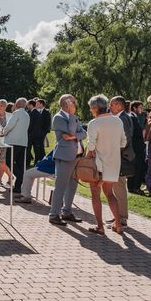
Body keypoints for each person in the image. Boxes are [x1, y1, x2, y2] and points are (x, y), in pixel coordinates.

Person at [85, 94, 126, 235]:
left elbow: (91, 146)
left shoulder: (94, 123)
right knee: (110, 194)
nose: (91, 110)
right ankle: (118, 224)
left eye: (91, 108)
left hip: (98, 164)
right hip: (114, 162)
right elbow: (123, 143)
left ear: (96, 108)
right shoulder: (118, 121)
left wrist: (85, 159)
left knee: (95, 194)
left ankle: (100, 226)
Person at [49, 94, 86, 226]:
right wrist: (71, 117)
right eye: (73, 101)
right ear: (66, 103)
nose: (75, 103)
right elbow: (70, 132)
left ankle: (67, 211)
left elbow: (84, 133)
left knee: (72, 185)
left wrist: (73, 136)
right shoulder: (59, 117)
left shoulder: (73, 117)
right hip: (64, 156)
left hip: (77, 156)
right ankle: (54, 214)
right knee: (61, 186)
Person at [107, 96, 135, 228]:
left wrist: (114, 151)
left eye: (111, 104)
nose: (109, 107)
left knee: (119, 187)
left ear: (119, 105)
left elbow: (126, 139)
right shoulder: (119, 117)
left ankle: (122, 218)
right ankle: (117, 216)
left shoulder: (123, 118)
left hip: (120, 158)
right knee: (115, 187)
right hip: (117, 157)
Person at [3, 98, 30, 195]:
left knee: (9, 161)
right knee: (19, 164)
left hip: (13, 141)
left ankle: (20, 177)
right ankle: (18, 187)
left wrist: (3, 132)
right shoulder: (27, 114)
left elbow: (10, 126)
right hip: (23, 142)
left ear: (17, 104)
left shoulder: (17, 113)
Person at [128, 100, 147, 194]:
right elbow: (134, 133)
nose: (141, 109)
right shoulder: (132, 117)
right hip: (136, 147)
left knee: (135, 167)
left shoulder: (134, 117)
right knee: (138, 167)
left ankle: (132, 187)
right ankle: (135, 187)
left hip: (136, 146)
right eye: (140, 107)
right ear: (134, 108)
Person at [27, 99, 51, 168]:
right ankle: (32, 161)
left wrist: (43, 133)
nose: (36, 105)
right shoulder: (33, 112)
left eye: (37, 104)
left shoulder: (46, 112)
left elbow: (47, 124)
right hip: (33, 134)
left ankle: (40, 162)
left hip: (41, 134)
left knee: (39, 149)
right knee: (33, 148)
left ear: (41, 104)